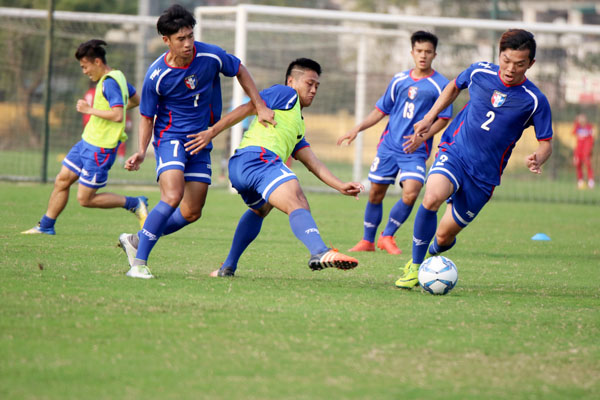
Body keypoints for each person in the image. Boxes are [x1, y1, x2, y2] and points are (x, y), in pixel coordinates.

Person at [118, 4, 275, 279]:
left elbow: (240, 69)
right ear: (166, 40)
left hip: (201, 140)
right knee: (172, 196)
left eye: (190, 36)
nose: (188, 43)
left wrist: (260, 106)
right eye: (181, 39)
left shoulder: (211, 55)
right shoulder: (156, 75)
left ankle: (136, 240)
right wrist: (142, 150)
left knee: (191, 212)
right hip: (170, 138)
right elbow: (146, 116)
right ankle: (138, 264)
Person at [395, 29, 553, 289]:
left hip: (484, 176)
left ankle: (433, 252)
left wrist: (539, 158)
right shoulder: (480, 71)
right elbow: (453, 86)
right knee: (432, 197)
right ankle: (415, 267)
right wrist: (429, 117)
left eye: (519, 64)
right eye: (506, 60)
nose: (510, 69)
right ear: (499, 55)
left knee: (443, 237)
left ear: (531, 63)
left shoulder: (535, 100)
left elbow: (546, 142)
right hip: (454, 152)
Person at [185, 58, 364, 277]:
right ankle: (319, 251)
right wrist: (212, 132)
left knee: (261, 209)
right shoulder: (286, 94)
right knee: (296, 197)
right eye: (309, 83)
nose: (314, 90)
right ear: (291, 81)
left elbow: (313, 163)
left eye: (317, 86)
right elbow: (248, 107)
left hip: (244, 166)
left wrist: (340, 185)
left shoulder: (297, 123)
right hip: (256, 159)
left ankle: (227, 267)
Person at [337, 31, 452, 255]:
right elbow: (381, 110)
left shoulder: (441, 85)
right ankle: (367, 241)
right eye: (419, 51)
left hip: (415, 150)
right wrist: (357, 128)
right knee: (375, 193)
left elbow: (444, 118)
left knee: (412, 191)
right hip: (389, 146)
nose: (423, 55)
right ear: (412, 52)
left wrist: (422, 137)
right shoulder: (399, 79)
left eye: (428, 52)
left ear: (434, 55)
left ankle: (387, 236)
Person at [22, 39, 146, 236]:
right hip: (87, 142)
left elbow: (117, 115)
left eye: (85, 66)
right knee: (62, 180)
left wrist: (90, 110)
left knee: (85, 199)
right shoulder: (118, 76)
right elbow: (136, 100)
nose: (84, 71)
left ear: (97, 62)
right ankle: (45, 225)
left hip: (100, 149)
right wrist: (108, 110)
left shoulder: (110, 83)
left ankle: (134, 203)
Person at [572, 113, 595, 189]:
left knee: (588, 165)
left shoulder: (589, 127)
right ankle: (580, 182)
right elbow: (573, 132)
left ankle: (591, 182)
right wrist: (576, 121)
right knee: (578, 165)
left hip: (586, 151)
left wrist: (590, 149)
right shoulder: (577, 127)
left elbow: (592, 139)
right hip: (578, 151)